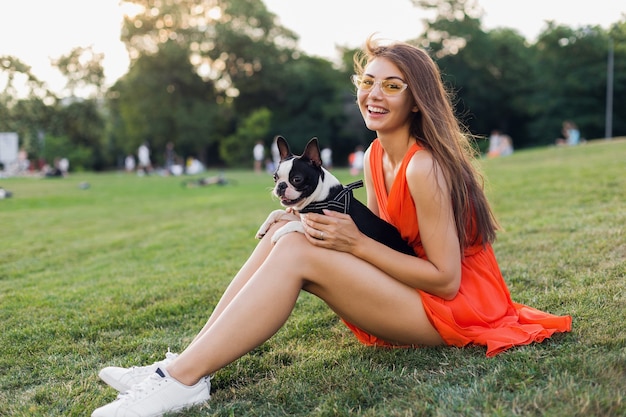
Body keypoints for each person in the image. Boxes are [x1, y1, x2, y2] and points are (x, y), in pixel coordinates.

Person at [92, 35, 572, 416]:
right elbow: (395, 241)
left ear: (418, 101)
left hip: (458, 308)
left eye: (392, 85)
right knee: (289, 232)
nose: (373, 94)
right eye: (368, 81)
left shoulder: (425, 167)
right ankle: (180, 370)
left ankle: (178, 383)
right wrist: (305, 218)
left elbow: (446, 281)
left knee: (297, 248)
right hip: (416, 293)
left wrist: (354, 244)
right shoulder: (375, 154)